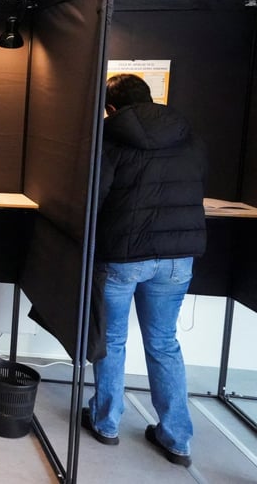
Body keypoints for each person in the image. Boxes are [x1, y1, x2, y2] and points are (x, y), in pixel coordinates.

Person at [82, 73, 206, 468]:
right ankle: (177, 438)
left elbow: (96, 197)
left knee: (113, 340)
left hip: (122, 254)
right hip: (176, 256)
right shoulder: (186, 134)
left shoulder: (111, 138)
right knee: (164, 342)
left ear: (112, 108)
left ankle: (106, 423)